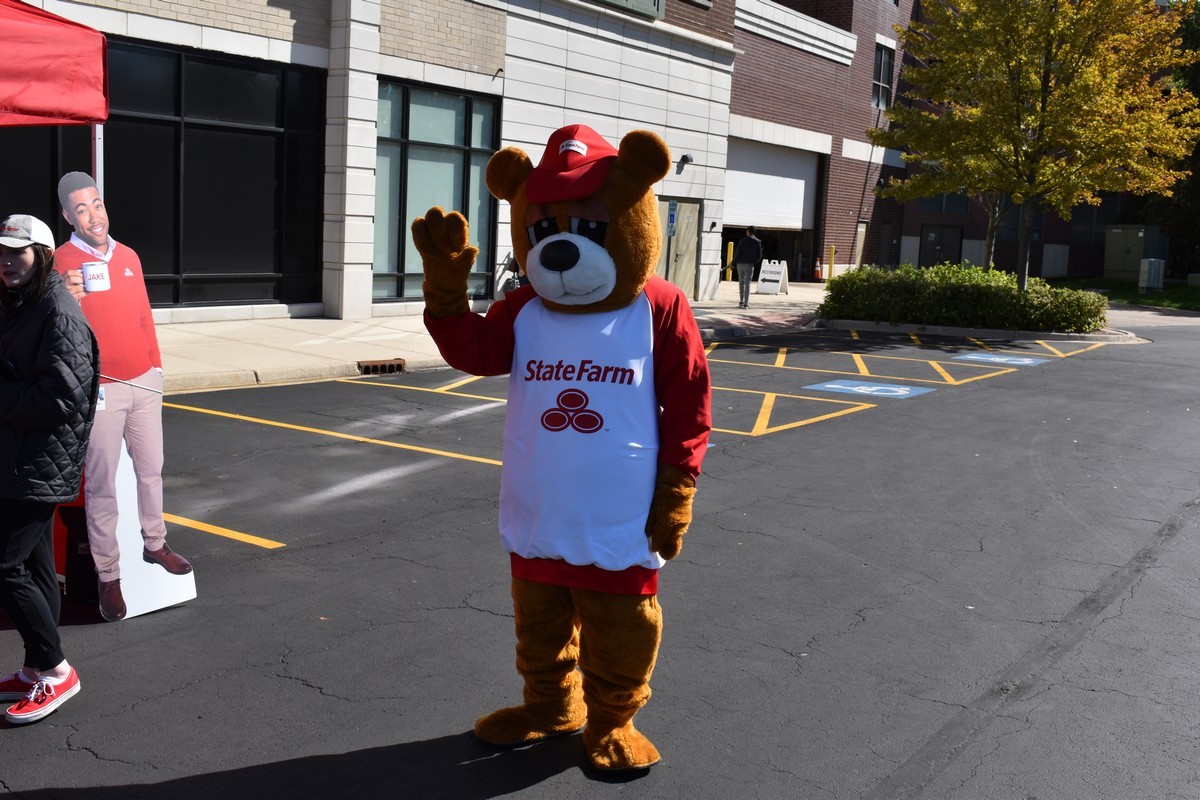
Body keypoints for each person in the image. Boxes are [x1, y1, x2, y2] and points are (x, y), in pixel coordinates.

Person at [54, 172, 191, 624]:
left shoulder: (128, 255)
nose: (93, 215)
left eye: (96, 204)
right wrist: (63, 298)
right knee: (102, 485)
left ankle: (155, 544)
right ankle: (108, 575)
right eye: (81, 209)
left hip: (144, 383)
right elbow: (48, 328)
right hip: (101, 389)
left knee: (151, 471)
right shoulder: (60, 263)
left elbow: (143, 317)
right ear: (68, 216)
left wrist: (157, 368)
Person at [0, 214, 99, 723]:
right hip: (20, 457)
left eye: (16, 252)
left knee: (4, 564)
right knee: (37, 568)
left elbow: (60, 400)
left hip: (39, 461)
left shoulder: (58, 312)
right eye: (1, 253)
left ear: (41, 255)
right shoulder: (24, 301)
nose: (6, 262)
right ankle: (38, 665)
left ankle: (58, 671)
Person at [731, 225, 763, 309]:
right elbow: (759, 255)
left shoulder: (742, 241)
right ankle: (746, 303)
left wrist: (733, 263)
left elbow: (737, 253)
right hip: (749, 264)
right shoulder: (757, 242)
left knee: (741, 282)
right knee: (747, 283)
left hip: (740, 264)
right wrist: (753, 262)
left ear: (748, 232)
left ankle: (741, 301)